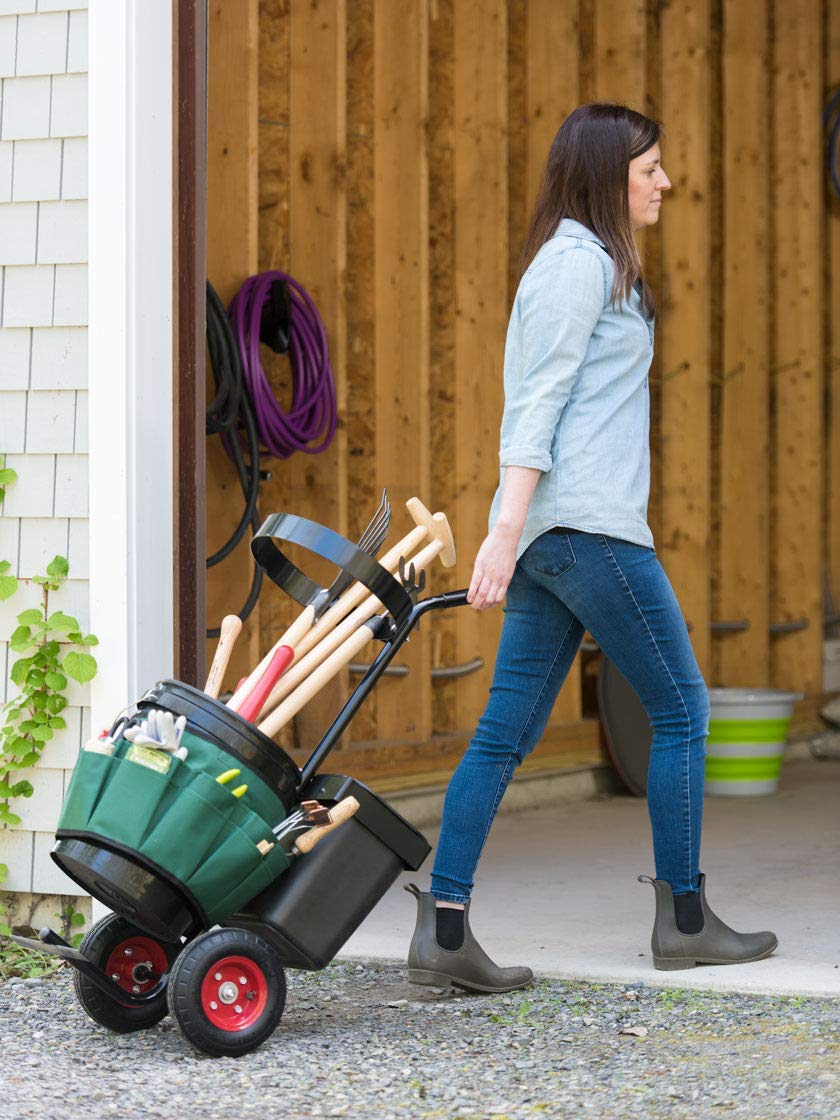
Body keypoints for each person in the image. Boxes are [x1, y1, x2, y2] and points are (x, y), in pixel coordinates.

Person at [404, 102, 778, 992]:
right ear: (610, 173)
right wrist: (502, 533)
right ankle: (683, 920)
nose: (665, 184)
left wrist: (517, 531)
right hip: (585, 529)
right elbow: (537, 404)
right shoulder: (577, 264)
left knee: (503, 734)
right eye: (650, 170)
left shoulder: (588, 262)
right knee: (684, 710)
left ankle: (444, 930)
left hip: (556, 533)